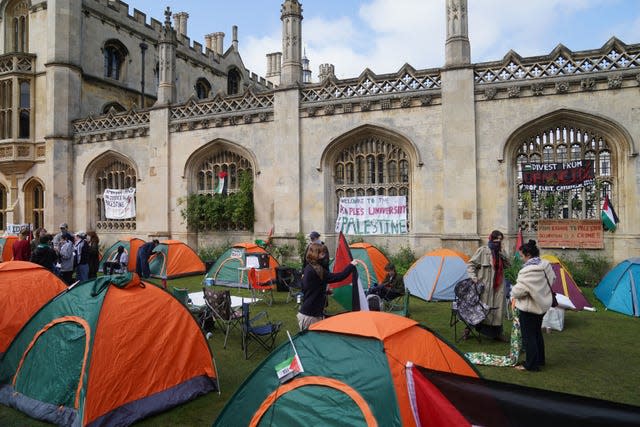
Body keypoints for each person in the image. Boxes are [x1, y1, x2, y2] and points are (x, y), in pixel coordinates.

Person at [511, 240, 555, 372]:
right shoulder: (545, 264)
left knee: (529, 336)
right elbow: (553, 279)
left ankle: (531, 365)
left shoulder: (528, 271)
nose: (521, 259)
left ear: (528, 255)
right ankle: (539, 360)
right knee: (536, 334)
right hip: (542, 306)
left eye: (522, 256)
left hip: (530, 308)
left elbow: (518, 291)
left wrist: (512, 290)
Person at [297, 242, 357, 330]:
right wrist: (351, 265)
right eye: (322, 253)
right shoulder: (316, 270)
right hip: (310, 315)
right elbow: (339, 277)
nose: (324, 255)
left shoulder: (309, 267)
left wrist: (325, 291)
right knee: (313, 341)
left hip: (311, 312)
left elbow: (310, 287)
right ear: (315, 254)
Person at [467, 230, 510, 341]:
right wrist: (474, 278)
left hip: (498, 285)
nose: (498, 241)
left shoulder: (501, 252)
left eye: (500, 239)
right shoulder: (483, 251)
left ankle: (497, 333)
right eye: (496, 239)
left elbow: (508, 265)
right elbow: (471, 264)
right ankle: (468, 329)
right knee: (479, 309)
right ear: (491, 238)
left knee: (497, 310)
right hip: (484, 286)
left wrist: (502, 254)